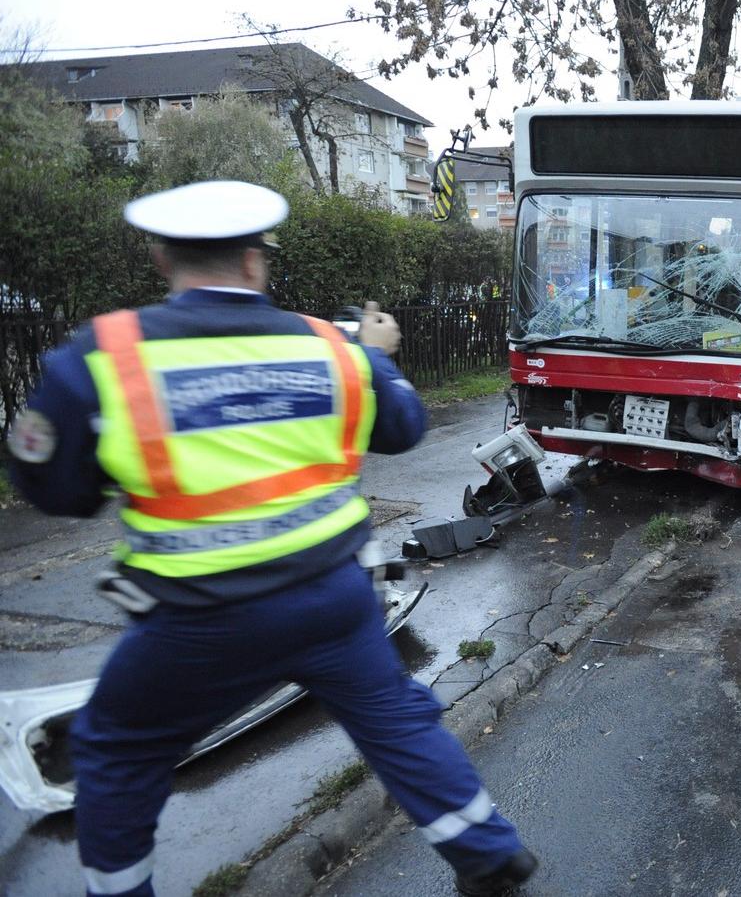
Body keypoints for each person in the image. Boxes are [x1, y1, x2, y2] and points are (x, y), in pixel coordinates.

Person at [5, 181, 536, 897]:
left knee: (114, 752)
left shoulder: (104, 356)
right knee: (394, 720)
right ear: (256, 263)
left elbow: (55, 492)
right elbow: (404, 428)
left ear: (162, 259)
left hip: (199, 619)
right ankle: (488, 851)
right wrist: (376, 353)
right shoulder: (331, 349)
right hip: (334, 600)